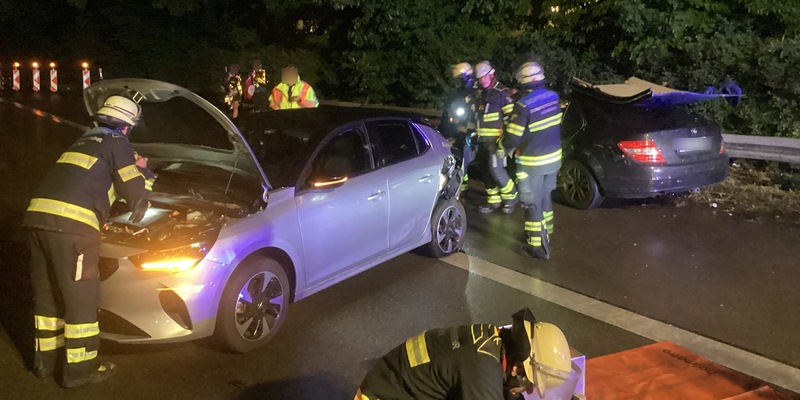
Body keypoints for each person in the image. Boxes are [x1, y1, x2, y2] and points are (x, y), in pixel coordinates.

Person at [23, 94, 150, 388]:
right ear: (127, 127)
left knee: (47, 296)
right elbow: (133, 190)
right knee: (82, 299)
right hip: (73, 229)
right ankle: (81, 370)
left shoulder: (84, 140)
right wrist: (144, 173)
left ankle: (44, 363)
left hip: (36, 221)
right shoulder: (117, 142)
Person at [354, 308, 580, 400]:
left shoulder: (494, 339)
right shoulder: (482, 373)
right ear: (517, 369)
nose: (528, 390)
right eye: (529, 385)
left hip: (388, 382)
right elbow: (487, 385)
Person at [502, 61, 563, 260]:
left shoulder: (523, 105)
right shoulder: (554, 97)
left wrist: (503, 145)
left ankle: (537, 247)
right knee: (545, 198)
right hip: (554, 160)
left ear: (524, 81)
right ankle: (547, 232)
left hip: (532, 163)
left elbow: (513, 137)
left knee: (531, 203)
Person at [474, 61, 518, 214]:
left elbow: (511, 118)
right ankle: (494, 200)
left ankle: (511, 197)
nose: (482, 81)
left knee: (496, 170)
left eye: (484, 77)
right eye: (479, 79)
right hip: (482, 141)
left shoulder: (502, 93)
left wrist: (505, 141)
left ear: (491, 74)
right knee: (485, 171)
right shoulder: (482, 94)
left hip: (496, 141)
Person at [440, 62, 478, 192]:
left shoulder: (476, 90)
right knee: (460, 156)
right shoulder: (458, 92)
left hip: (474, 129)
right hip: (460, 128)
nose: (458, 81)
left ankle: (462, 182)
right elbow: (452, 106)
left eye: (460, 78)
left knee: (466, 156)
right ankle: (462, 183)